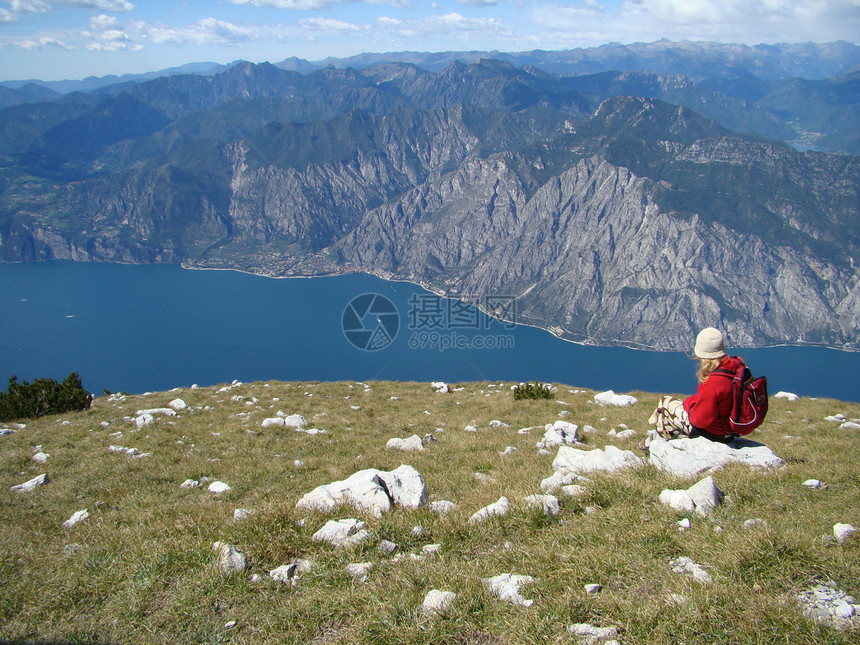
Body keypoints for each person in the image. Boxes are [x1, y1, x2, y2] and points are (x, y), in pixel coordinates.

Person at [642, 327, 741, 449]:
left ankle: (655, 444)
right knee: (669, 412)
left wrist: (689, 405)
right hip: (729, 429)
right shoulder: (737, 366)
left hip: (714, 432)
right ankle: (658, 440)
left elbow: (699, 420)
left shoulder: (713, 382)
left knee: (665, 404)